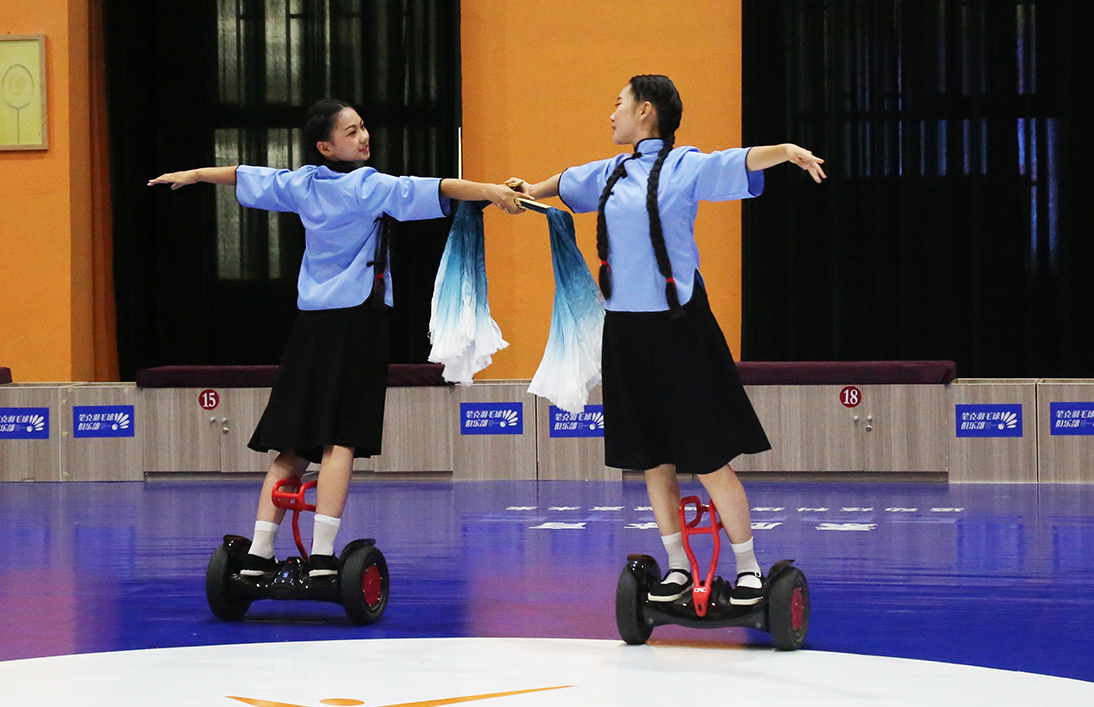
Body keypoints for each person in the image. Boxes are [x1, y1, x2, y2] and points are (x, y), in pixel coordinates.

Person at [151, 99, 525, 586]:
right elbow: (440, 188)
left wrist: (195, 174)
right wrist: (493, 191)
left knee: (292, 445)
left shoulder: (302, 184)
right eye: (351, 131)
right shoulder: (370, 186)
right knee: (340, 441)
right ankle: (324, 556)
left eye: (363, 126)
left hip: (310, 329)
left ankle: (259, 554)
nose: (364, 136)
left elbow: (242, 174)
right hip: (358, 325)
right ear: (326, 146)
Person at [508, 75, 824, 605]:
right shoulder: (609, 173)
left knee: (709, 457)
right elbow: (564, 183)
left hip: (681, 327)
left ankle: (749, 568)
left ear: (645, 111)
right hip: (625, 331)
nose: (612, 113)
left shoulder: (685, 166)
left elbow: (740, 160)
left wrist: (786, 151)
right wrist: (524, 192)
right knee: (653, 458)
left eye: (619, 103)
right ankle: (677, 565)